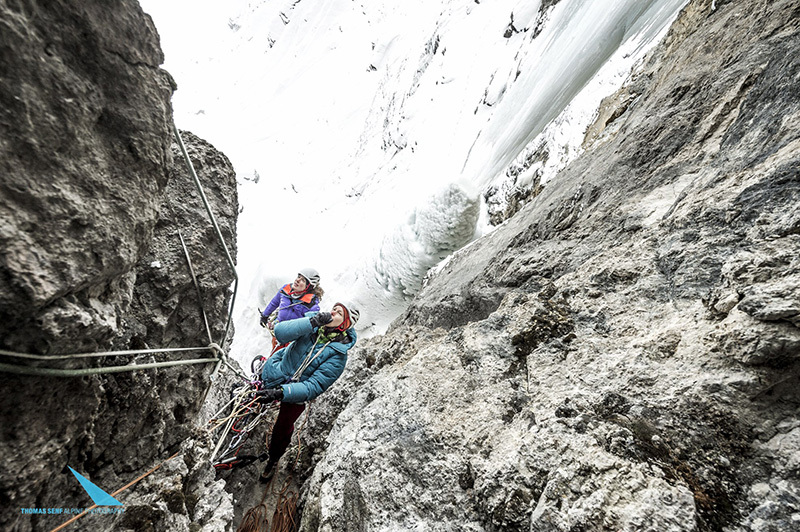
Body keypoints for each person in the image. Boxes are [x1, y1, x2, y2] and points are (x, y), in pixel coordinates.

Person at [255, 301, 360, 483]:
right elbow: (280, 332)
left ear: (345, 325)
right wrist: (311, 323)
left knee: (283, 427)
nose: (332, 312)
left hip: (296, 393)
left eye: (339, 313)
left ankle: (273, 459)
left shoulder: (338, 356)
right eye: (333, 309)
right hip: (280, 371)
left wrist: (282, 392)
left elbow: (314, 386)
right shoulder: (312, 326)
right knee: (253, 399)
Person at [259, 268, 324, 350]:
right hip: (278, 332)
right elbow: (274, 302)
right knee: (274, 353)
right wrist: (265, 315)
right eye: (299, 277)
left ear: (309, 287)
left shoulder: (311, 304)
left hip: (292, 341)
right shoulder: (285, 289)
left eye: (303, 280)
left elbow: (310, 325)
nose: (297, 280)